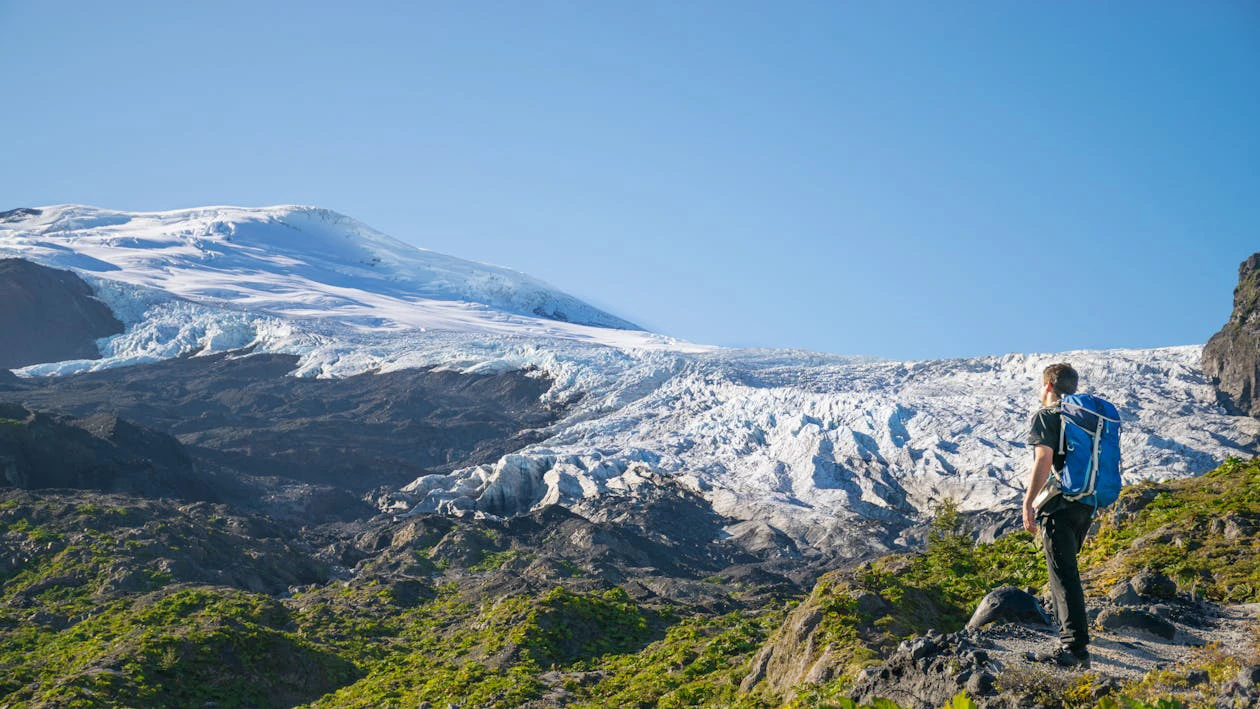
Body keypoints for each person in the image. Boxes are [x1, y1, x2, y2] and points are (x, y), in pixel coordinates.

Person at [1022, 362, 1093, 669]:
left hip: (1059, 503)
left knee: (1063, 576)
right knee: (1069, 570)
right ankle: (1076, 636)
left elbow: (1043, 459)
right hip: (1086, 502)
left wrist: (1028, 503)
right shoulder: (1084, 418)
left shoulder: (1046, 415)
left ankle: (1074, 649)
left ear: (1048, 385)